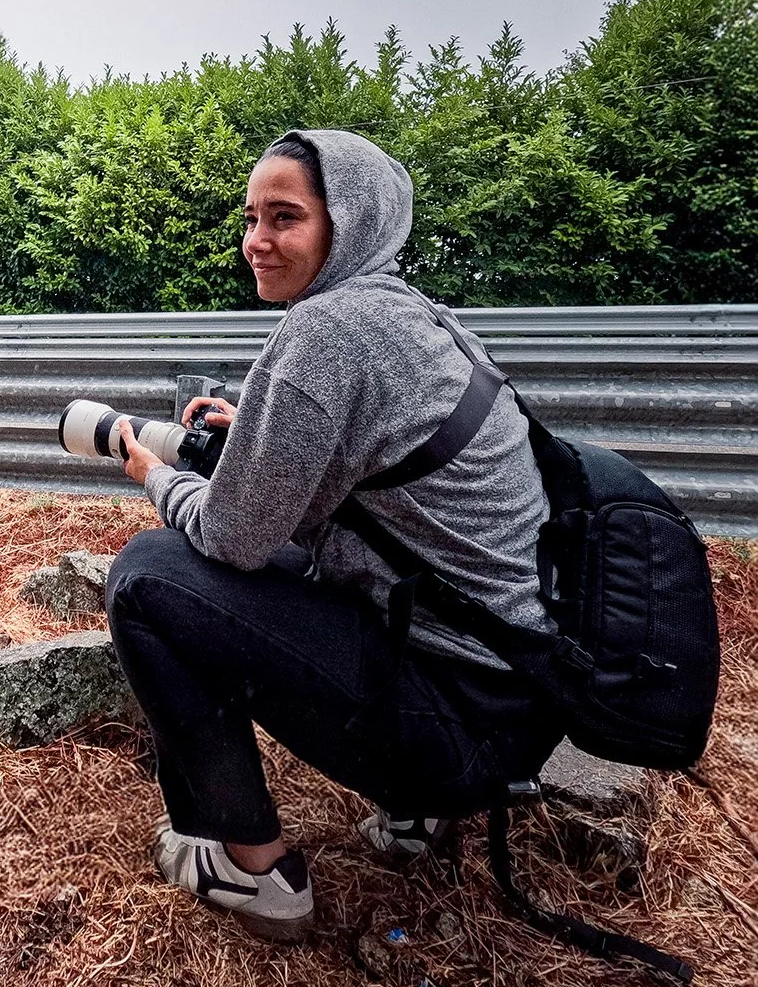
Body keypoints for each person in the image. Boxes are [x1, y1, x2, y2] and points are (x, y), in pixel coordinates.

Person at [105, 129, 560, 943]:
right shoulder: (417, 314)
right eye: (250, 217)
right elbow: (387, 471)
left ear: (346, 225)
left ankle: (254, 871)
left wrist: (150, 472)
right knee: (278, 564)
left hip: (456, 728)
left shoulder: (321, 336)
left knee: (147, 575)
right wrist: (262, 428)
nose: (256, 241)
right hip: (519, 701)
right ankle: (418, 816)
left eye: (286, 217)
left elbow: (230, 537)